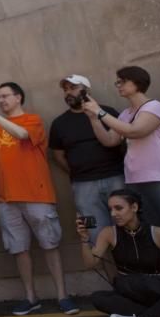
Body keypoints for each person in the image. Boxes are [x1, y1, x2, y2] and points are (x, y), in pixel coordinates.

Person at [0, 82, 78, 316]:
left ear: (18, 98)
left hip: (36, 194)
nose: (1, 100)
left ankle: (62, 295)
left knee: (50, 244)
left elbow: (21, 134)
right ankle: (30, 296)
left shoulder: (32, 120)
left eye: (5, 96)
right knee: (19, 249)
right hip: (7, 199)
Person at [81, 66, 160, 266]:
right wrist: (93, 119)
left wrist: (99, 112)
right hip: (137, 183)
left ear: (137, 83)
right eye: (117, 82)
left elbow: (136, 131)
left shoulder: (154, 107)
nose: (118, 86)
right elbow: (110, 140)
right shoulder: (125, 114)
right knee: (159, 238)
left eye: (122, 81)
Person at [78, 189, 160, 317]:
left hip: (156, 290)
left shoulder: (158, 233)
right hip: (129, 291)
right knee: (98, 298)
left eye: (119, 208)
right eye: (111, 209)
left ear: (134, 207)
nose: (113, 214)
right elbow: (91, 264)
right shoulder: (109, 233)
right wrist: (84, 240)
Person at [49, 75, 125, 244]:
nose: (68, 92)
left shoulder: (108, 112)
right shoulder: (59, 123)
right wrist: (76, 171)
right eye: (65, 89)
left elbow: (123, 142)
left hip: (116, 180)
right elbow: (58, 155)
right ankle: (107, 269)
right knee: (94, 232)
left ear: (86, 90)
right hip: (83, 187)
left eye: (73, 88)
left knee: (126, 227)